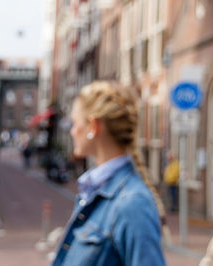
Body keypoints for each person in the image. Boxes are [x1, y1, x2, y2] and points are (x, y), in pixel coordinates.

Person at [52, 81, 166, 266]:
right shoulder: (96, 190)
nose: (72, 131)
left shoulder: (132, 204)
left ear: (93, 126)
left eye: (75, 123)